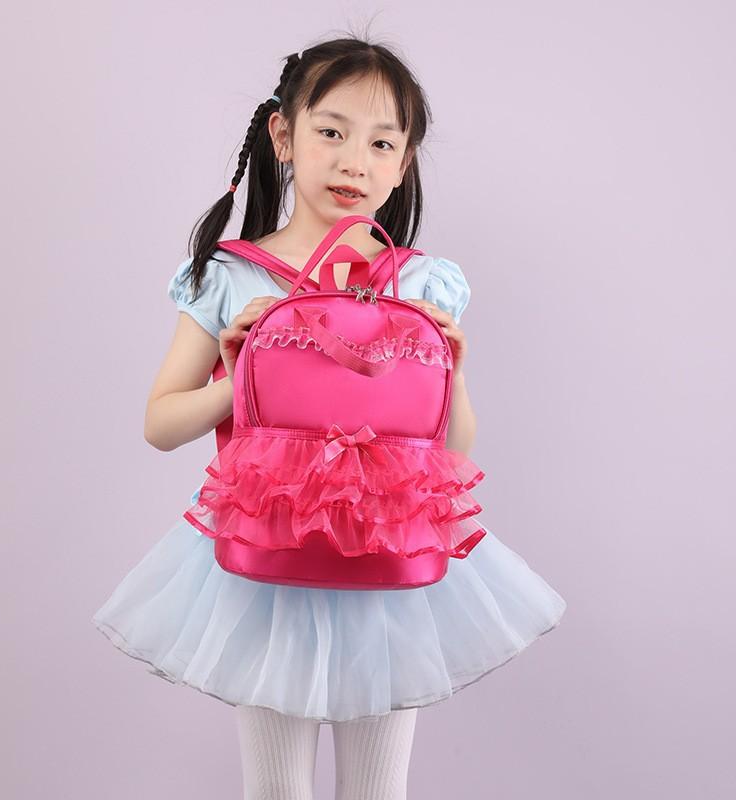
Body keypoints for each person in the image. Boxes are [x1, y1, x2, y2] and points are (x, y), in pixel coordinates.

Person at [92, 33, 567, 800]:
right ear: (283, 136)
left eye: (382, 143)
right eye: (332, 132)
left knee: (378, 791)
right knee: (276, 789)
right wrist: (241, 371)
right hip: (268, 562)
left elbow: (453, 447)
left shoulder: (422, 282)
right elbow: (162, 423)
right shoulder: (230, 273)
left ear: (404, 164)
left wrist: (452, 370)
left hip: (386, 558)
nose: (355, 162)